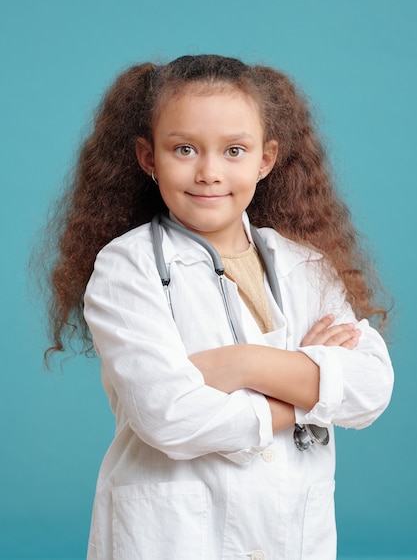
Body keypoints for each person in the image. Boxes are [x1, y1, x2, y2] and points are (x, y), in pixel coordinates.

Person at [43, 55, 394, 560]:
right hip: (173, 539)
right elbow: (169, 416)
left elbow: (370, 388)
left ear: (265, 160)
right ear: (149, 158)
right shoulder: (129, 266)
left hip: (292, 536)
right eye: (184, 149)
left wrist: (239, 364)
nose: (209, 172)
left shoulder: (304, 264)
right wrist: (306, 387)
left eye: (234, 150)